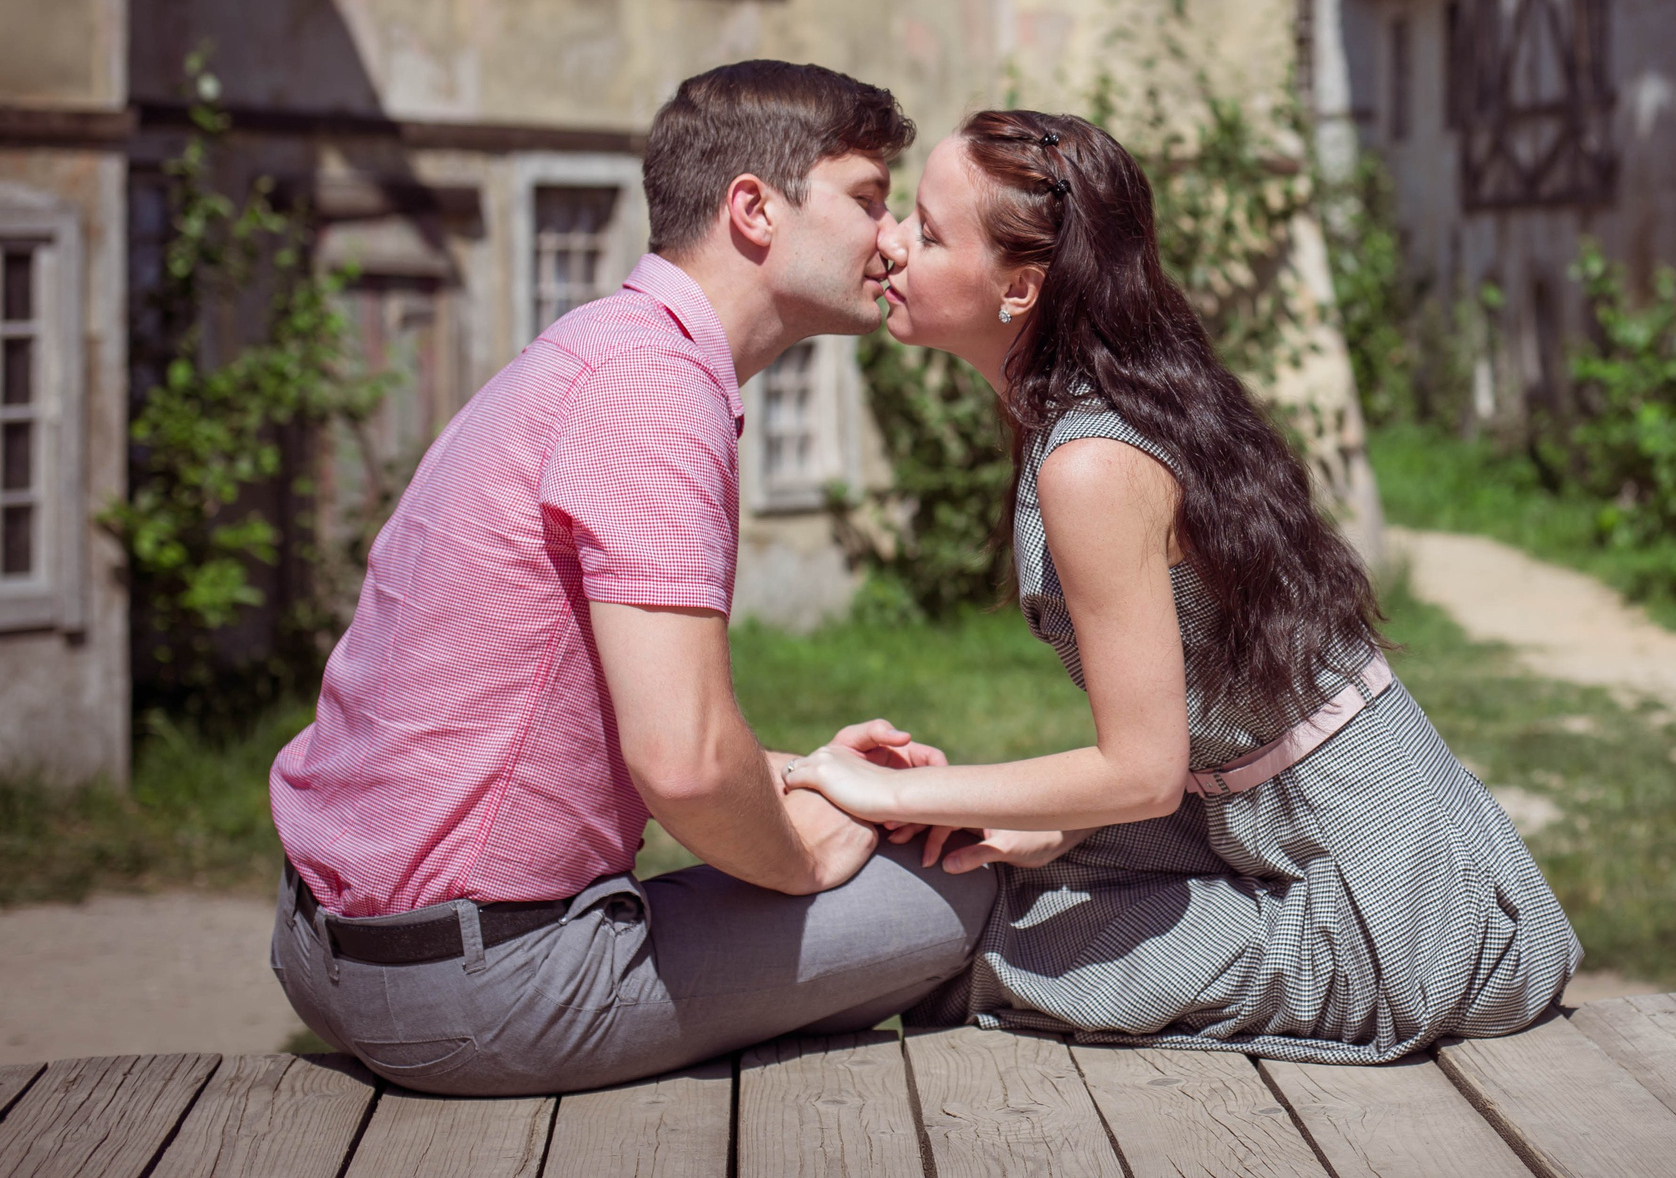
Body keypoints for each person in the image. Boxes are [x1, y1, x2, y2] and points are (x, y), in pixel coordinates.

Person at [782, 109, 1581, 1061]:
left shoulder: (1090, 460)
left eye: (927, 228)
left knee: (989, 949)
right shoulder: (1108, 407)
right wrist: (1029, 820)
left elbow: (1141, 771)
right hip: (1286, 827)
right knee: (989, 879)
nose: (891, 243)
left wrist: (884, 789)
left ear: (1020, 286)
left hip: (1389, 906)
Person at [268, 62, 996, 1097]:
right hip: (474, 986)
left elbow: (599, 719)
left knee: (882, 847)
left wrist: (811, 778)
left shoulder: (599, 350)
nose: (892, 240)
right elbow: (685, 765)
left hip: (333, 945)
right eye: (869, 200)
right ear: (754, 209)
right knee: (959, 885)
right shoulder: (654, 390)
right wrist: (804, 849)